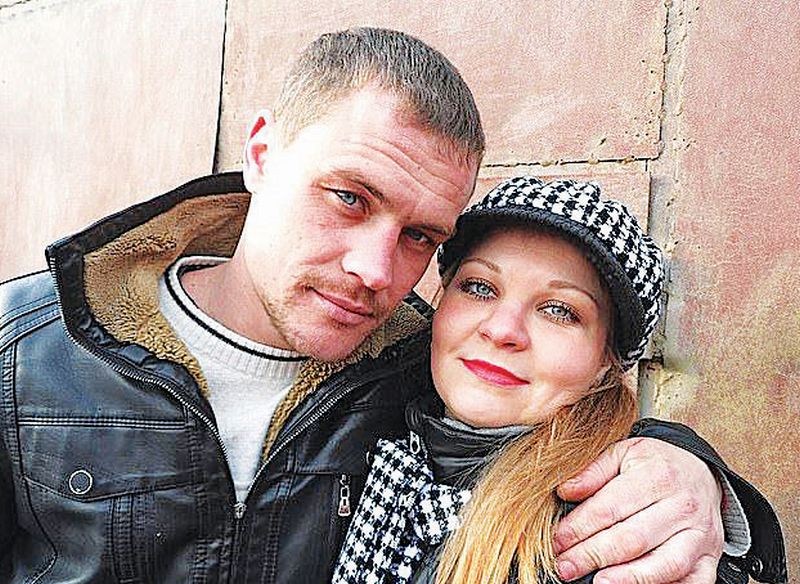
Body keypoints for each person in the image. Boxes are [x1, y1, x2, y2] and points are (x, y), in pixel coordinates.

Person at [0, 28, 786, 583]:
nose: (375, 273)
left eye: (419, 236)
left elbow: (549, 436)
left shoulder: (417, 365)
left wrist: (690, 469)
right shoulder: (25, 352)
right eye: (349, 197)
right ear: (263, 153)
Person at [331, 176, 786, 584]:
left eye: (560, 311)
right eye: (479, 287)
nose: (502, 330)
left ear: (607, 362)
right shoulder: (356, 423)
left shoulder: (622, 537)